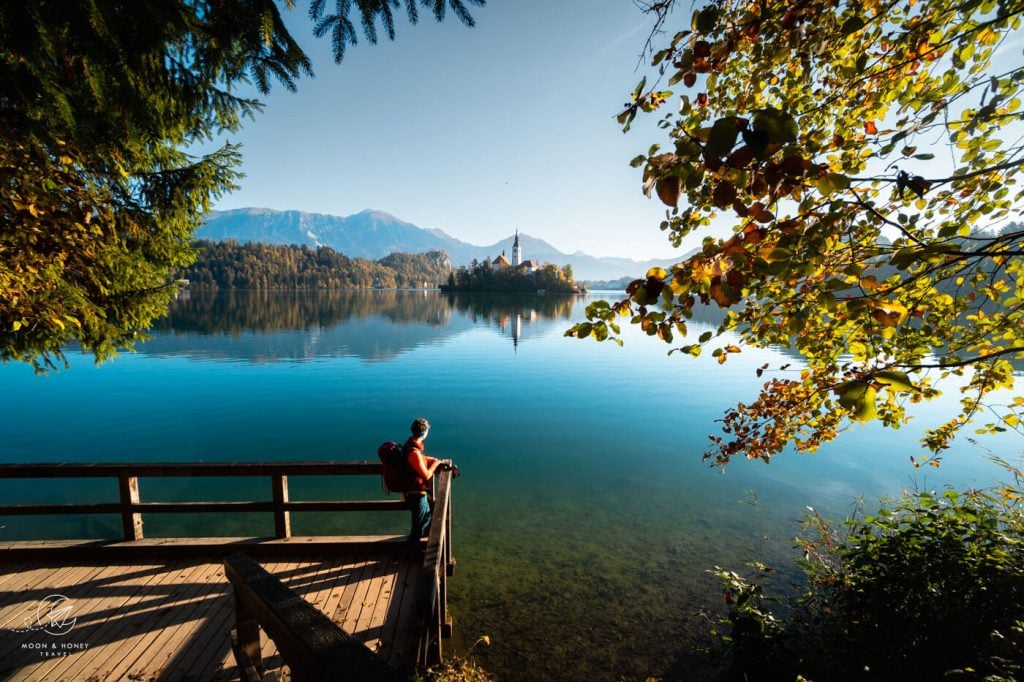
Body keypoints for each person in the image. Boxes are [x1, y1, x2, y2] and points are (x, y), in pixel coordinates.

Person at [401, 417, 457, 557]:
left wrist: (433, 460)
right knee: (419, 523)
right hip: (415, 493)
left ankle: (414, 548)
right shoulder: (413, 452)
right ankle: (411, 552)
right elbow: (426, 475)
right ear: (424, 433)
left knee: (425, 518)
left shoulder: (411, 445)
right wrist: (435, 465)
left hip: (416, 491)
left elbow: (421, 459)